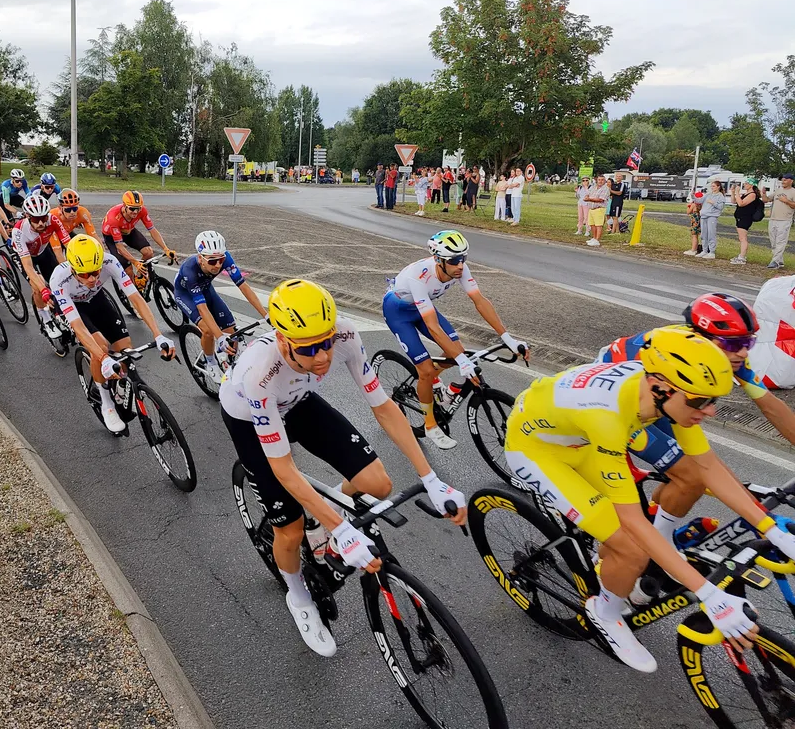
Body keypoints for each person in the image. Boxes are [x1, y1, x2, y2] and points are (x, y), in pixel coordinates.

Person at [506, 327, 795, 672]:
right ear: (661, 387)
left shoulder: (670, 394)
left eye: (714, 400)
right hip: (539, 450)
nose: (711, 411)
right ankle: (606, 612)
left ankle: (632, 560)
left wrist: (772, 529)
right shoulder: (611, 414)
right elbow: (632, 521)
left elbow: (707, 466)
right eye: (702, 401)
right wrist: (710, 595)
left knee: (681, 481)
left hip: (584, 434)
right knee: (632, 546)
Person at [219, 278, 467, 656]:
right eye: (309, 348)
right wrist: (342, 531)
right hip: (251, 419)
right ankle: (298, 597)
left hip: (297, 402)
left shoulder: (344, 335)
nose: (323, 356)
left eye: (327, 341)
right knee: (289, 528)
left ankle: (330, 511)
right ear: (283, 340)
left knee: (378, 484)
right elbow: (285, 469)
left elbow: (384, 406)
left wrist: (431, 479)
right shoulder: (259, 372)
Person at [599, 294, 795, 546]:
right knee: (692, 475)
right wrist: (761, 516)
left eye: (749, 342)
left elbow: (773, 408)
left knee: (691, 472)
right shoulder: (671, 356)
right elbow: (705, 465)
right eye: (734, 343)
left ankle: (658, 522)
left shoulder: (726, 353)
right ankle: (657, 550)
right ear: (704, 338)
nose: (744, 351)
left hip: (665, 404)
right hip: (620, 408)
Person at [382, 229, 526, 449]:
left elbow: (480, 301)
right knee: (427, 370)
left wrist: (508, 338)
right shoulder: (419, 276)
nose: (460, 265)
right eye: (454, 260)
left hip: (422, 309)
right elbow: (432, 325)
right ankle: (430, 426)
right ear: (439, 260)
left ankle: (441, 389)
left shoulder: (459, 269)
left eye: (463, 258)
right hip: (398, 311)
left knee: (456, 349)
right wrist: (461, 361)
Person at [45, 234, 175, 433]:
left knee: (126, 348)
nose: (92, 278)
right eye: (85, 274)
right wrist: (103, 357)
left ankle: (120, 386)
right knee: (100, 347)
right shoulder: (59, 279)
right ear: (72, 268)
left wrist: (158, 334)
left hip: (97, 300)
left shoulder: (109, 261)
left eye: (96, 272)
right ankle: (106, 404)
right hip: (76, 309)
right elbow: (79, 327)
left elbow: (136, 299)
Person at [173, 230, 267, 382]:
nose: (217, 265)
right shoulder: (189, 270)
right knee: (209, 331)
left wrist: (266, 315)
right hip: (186, 295)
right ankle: (210, 362)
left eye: (220, 260)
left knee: (232, 332)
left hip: (206, 289)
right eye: (212, 261)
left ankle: (230, 363)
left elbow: (243, 286)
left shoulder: (225, 259)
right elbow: (202, 309)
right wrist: (219, 337)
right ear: (200, 258)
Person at [11, 193, 70, 333]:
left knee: (60, 280)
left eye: (44, 218)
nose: (41, 223)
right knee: (38, 286)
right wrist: (43, 290)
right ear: (28, 217)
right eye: (36, 220)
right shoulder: (19, 231)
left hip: (43, 252)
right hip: (25, 257)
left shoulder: (53, 220)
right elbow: (28, 266)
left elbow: (69, 244)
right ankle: (45, 319)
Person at [100, 190, 175, 282]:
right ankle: (131, 291)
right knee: (129, 270)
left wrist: (166, 249)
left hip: (128, 230)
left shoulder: (142, 211)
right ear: (124, 206)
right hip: (111, 236)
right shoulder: (114, 219)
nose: (135, 212)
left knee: (148, 252)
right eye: (132, 209)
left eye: (138, 208)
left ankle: (139, 278)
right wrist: (135, 262)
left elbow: (152, 230)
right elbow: (119, 246)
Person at [760, 173, 794, 269]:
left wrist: (786, 201)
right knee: (773, 241)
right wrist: (763, 194)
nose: (783, 181)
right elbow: (766, 200)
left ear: (791, 181)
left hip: (785, 220)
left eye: (785, 180)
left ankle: (775, 261)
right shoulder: (778, 190)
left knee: (781, 241)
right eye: (782, 180)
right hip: (773, 218)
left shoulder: (793, 192)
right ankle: (780, 261)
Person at [730, 178, 762, 265]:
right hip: (740, 217)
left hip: (745, 218)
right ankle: (741, 255)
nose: (744, 184)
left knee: (743, 238)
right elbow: (734, 201)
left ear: (752, 185)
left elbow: (741, 203)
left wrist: (737, 192)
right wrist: (733, 192)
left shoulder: (752, 195)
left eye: (747, 183)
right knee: (741, 237)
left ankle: (742, 257)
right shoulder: (746, 194)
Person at [692, 180, 725, 260]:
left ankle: (712, 252)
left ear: (718, 187)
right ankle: (704, 250)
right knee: (704, 234)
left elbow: (721, 207)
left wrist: (713, 202)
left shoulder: (720, 196)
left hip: (712, 216)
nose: (712, 188)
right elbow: (699, 201)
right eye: (712, 186)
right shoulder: (708, 194)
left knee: (711, 234)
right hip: (704, 216)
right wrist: (693, 196)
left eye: (714, 186)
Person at [584, 174, 610, 246]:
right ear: (597, 180)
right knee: (592, 224)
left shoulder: (605, 189)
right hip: (591, 208)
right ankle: (594, 238)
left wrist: (589, 199)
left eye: (602, 180)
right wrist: (586, 197)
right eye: (599, 180)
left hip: (599, 208)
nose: (600, 181)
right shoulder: (593, 187)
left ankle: (597, 240)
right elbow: (587, 193)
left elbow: (601, 199)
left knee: (599, 225)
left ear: (604, 181)